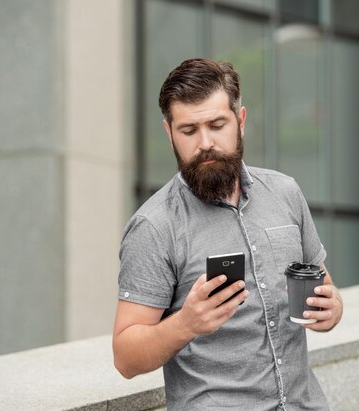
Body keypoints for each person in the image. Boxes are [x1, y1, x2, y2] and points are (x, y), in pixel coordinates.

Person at [113, 58, 343, 410]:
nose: (205, 142)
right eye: (188, 131)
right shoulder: (155, 226)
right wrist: (186, 324)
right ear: (169, 132)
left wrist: (332, 310)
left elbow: (325, 287)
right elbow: (126, 357)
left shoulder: (285, 194)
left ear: (241, 121)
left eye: (217, 125)